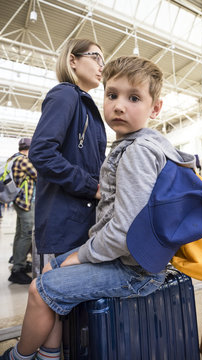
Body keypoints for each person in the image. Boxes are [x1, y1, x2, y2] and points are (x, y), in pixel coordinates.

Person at [0, 55, 196, 360]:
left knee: (41, 288)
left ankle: (17, 358)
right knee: (51, 269)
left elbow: (126, 232)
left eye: (133, 98)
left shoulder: (136, 152)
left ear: (155, 108)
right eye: (112, 95)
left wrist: (81, 255)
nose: (119, 105)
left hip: (134, 269)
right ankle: (49, 353)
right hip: (133, 260)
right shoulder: (138, 144)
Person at [28, 38, 106, 264]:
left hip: (81, 222)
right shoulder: (65, 94)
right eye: (96, 57)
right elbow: (42, 152)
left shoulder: (85, 105)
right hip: (63, 226)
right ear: (73, 60)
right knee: (55, 294)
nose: (102, 66)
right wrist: (92, 187)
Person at [8, 138, 37, 285]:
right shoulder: (24, 161)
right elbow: (39, 175)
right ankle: (17, 270)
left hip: (19, 202)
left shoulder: (13, 158)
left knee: (20, 234)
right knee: (26, 234)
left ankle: (19, 262)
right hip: (26, 203)